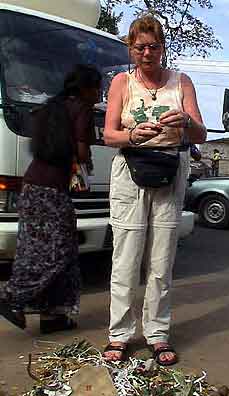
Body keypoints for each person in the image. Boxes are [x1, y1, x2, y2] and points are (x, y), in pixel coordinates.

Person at [103, 15, 207, 365]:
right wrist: (132, 136)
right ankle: (119, 334)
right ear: (131, 49)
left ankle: (157, 334)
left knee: (162, 260)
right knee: (126, 258)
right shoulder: (121, 82)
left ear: (163, 47)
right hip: (130, 171)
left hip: (170, 171)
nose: (147, 53)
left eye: (154, 46)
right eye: (139, 47)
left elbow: (200, 134)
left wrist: (186, 121)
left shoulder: (182, 82)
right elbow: (109, 135)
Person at [0, 64, 102, 333]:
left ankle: (54, 315)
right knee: (56, 252)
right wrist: (88, 156)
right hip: (51, 192)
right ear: (85, 89)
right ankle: (12, 297)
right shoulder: (81, 108)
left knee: (46, 249)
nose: (99, 94)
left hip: (33, 187)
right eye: (97, 88)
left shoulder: (50, 107)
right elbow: (81, 153)